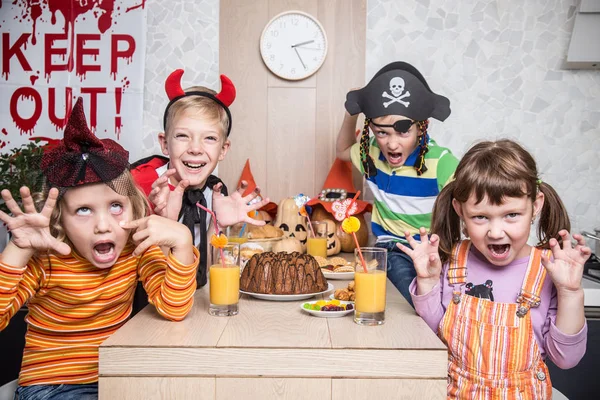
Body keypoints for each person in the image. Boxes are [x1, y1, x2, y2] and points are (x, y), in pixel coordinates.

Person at [0, 98, 199, 400]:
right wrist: (18, 249)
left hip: (115, 379)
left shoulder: (135, 249)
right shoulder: (48, 260)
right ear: (59, 219)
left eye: (116, 206)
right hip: (51, 387)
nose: (103, 225)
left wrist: (183, 241)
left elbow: (174, 309)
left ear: (135, 209)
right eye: (83, 211)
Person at [398, 139, 589, 398]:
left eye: (511, 215)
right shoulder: (453, 260)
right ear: (460, 211)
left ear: (535, 205)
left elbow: (565, 359)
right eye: (480, 217)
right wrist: (428, 281)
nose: (496, 232)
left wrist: (569, 292)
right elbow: (432, 334)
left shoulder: (547, 270)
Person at [131, 69, 269, 293]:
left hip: (189, 300)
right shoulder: (140, 186)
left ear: (223, 149)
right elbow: (145, 281)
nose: (195, 148)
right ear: (165, 144)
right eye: (183, 136)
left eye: (210, 138)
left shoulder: (216, 191)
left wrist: (218, 226)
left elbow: (203, 276)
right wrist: (165, 221)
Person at [336, 61, 458, 305]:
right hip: (392, 249)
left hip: (434, 250)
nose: (392, 144)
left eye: (403, 132)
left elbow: (474, 198)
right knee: (414, 302)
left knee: (449, 299)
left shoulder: (440, 161)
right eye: (382, 133)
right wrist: (352, 114)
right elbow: (341, 152)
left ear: (422, 128)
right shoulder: (370, 154)